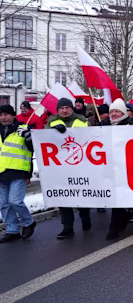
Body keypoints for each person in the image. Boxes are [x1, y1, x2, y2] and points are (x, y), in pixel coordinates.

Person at [46, 98, 90, 239]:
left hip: (80, 165)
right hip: (60, 167)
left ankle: (85, 215)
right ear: (57, 110)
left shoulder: (82, 121)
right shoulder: (51, 122)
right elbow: (44, 138)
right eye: (61, 108)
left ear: (72, 108)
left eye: (67, 108)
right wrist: (52, 132)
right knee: (63, 197)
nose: (64, 111)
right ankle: (67, 227)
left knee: (81, 195)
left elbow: (91, 138)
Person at [98, 99, 133, 240]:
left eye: (117, 111)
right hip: (109, 164)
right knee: (115, 195)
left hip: (125, 164)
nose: (114, 114)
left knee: (118, 195)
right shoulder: (105, 125)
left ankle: (113, 227)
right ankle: (123, 216)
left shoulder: (130, 124)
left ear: (124, 112)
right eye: (112, 111)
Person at [0, 105, 36, 243]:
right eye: (1, 115)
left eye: (6, 115)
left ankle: (29, 222)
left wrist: (28, 136)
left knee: (15, 201)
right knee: (4, 204)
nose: (3, 118)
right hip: (2, 172)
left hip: (19, 170)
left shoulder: (23, 128)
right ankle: (12, 230)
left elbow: (33, 147)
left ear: (13, 115)